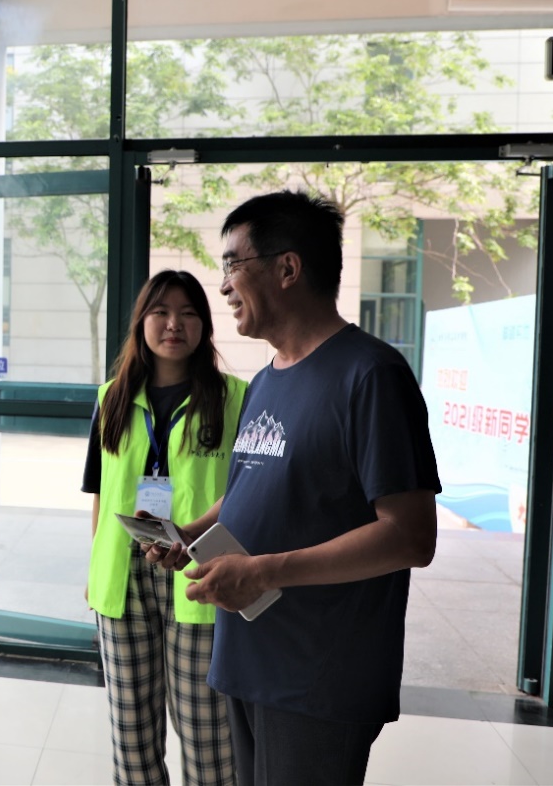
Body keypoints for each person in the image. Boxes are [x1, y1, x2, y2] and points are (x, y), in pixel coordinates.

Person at [148, 190, 440, 786]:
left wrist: (263, 571)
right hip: (248, 656)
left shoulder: (371, 375)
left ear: (287, 268)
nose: (223, 286)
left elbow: (410, 537)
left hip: (318, 674)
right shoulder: (266, 380)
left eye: (233, 263)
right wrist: (190, 533)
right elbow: (253, 484)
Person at [83, 269, 248, 786]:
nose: (174, 324)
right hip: (123, 576)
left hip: (198, 574)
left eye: (188, 313)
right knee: (131, 735)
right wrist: (93, 572)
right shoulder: (111, 396)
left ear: (205, 326)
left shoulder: (236, 398)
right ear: (141, 322)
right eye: (161, 312)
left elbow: (248, 489)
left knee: (207, 736)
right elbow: (100, 490)